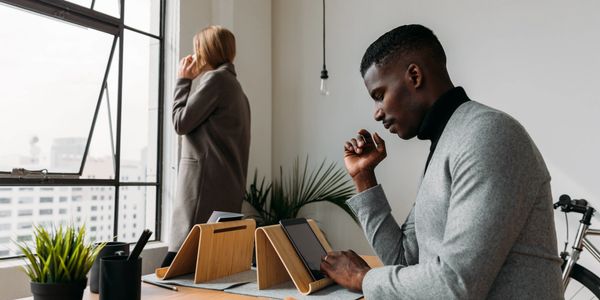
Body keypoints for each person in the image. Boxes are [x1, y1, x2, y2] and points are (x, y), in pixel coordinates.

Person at [319, 24, 563, 299]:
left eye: (379, 95)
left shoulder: (487, 135)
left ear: (414, 75)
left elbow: (457, 284)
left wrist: (363, 278)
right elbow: (404, 260)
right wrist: (364, 179)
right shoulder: (448, 141)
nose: (377, 113)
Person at [161, 26, 251, 267]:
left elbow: (181, 122)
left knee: (172, 268)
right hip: (225, 191)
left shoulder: (216, 80)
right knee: (206, 269)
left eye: (197, 49)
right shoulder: (237, 90)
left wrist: (183, 80)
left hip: (202, 191)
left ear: (205, 50)